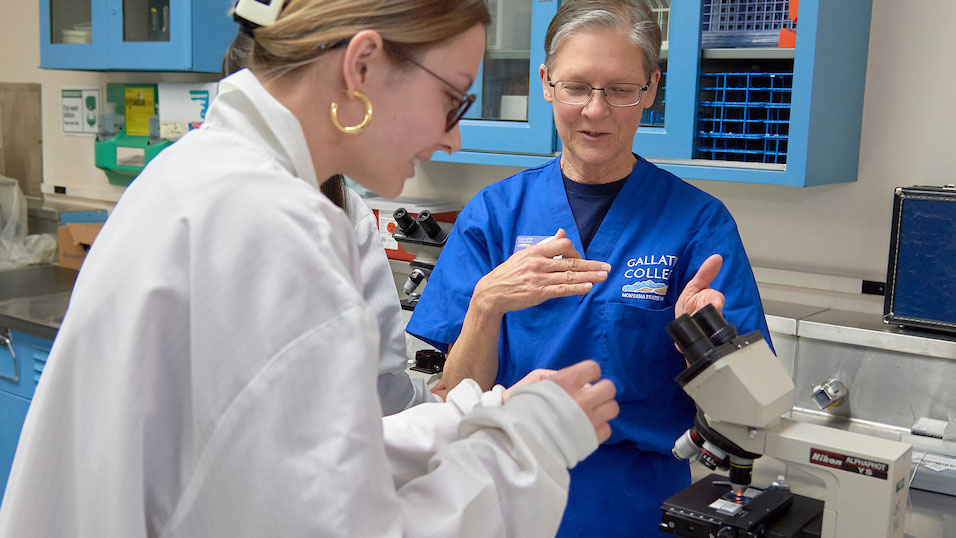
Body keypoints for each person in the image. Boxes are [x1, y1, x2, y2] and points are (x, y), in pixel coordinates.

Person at [0, 1, 620, 536]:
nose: (451, 138)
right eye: (452, 100)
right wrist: (532, 444)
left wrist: (465, 419)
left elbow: (286, 463)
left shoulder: (202, 173)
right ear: (362, 66)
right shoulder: (274, 232)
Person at [406, 0, 774, 535]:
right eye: (576, 86)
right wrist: (487, 303)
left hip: (638, 506)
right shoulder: (494, 214)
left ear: (650, 89)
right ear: (546, 83)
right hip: (504, 493)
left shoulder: (697, 223)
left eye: (621, 90)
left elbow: (746, 417)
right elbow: (455, 398)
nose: (595, 111)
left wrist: (707, 345)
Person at [223, 31, 438, 415]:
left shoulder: (179, 185)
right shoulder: (338, 209)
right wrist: (445, 411)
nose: (447, 139)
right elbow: (382, 392)